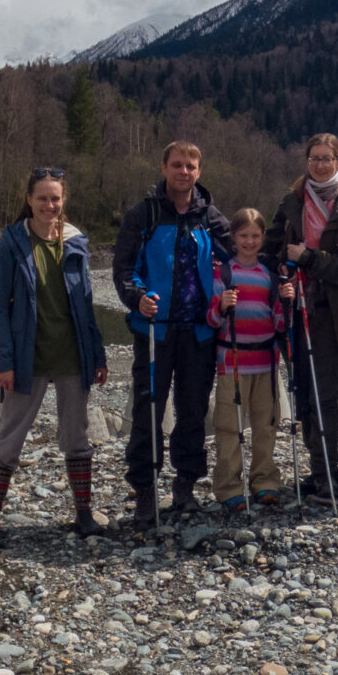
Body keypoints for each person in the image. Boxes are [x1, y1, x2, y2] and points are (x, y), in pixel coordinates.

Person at [0, 168, 109, 547]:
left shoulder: (75, 243)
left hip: (72, 355)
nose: (49, 205)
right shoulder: (12, 243)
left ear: (63, 200)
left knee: (77, 436)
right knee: (10, 437)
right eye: (42, 198)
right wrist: (4, 361)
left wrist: (98, 354)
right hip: (26, 356)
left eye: (55, 198)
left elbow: (86, 306)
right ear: (29, 199)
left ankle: (84, 514)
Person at [112, 140, 234, 522]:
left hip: (199, 331)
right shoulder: (144, 215)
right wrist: (136, 298)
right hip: (154, 332)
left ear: (199, 171)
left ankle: (185, 485)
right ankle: (145, 490)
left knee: (193, 411)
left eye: (191, 166)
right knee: (148, 409)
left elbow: (240, 259)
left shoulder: (210, 218)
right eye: (177, 165)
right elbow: (123, 268)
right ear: (163, 167)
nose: (184, 172)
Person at [272, 134, 338, 500]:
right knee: (304, 395)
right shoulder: (291, 203)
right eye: (314, 158)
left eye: (328, 159)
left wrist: (308, 259)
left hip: (334, 316)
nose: (320, 165)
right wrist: (283, 272)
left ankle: (327, 470)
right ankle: (318, 467)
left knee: (325, 394)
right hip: (297, 312)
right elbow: (271, 251)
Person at [208, 207, 288, 513]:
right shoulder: (223, 273)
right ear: (233, 237)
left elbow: (279, 322)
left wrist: (286, 300)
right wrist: (221, 305)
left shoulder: (269, 275)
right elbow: (212, 319)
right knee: (229, 426)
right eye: (243, 235)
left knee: (266, 424)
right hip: (233, 361)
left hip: (266, 361)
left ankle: (265, 481)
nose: (250, 241)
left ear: (263, 238)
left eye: (255, 235)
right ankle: (228, 485)